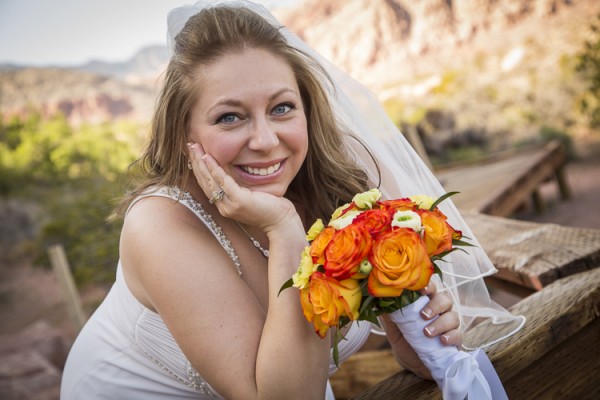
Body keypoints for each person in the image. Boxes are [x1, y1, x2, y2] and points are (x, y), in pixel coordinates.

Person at [61, 1, 524, 399]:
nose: (266, 141)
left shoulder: (337, 184)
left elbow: (331, 357)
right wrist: (285, 229)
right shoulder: (160, 226)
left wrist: (413, 345)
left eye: (282, 108)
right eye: (229, 117)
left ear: (307, 107)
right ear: (184, 133)